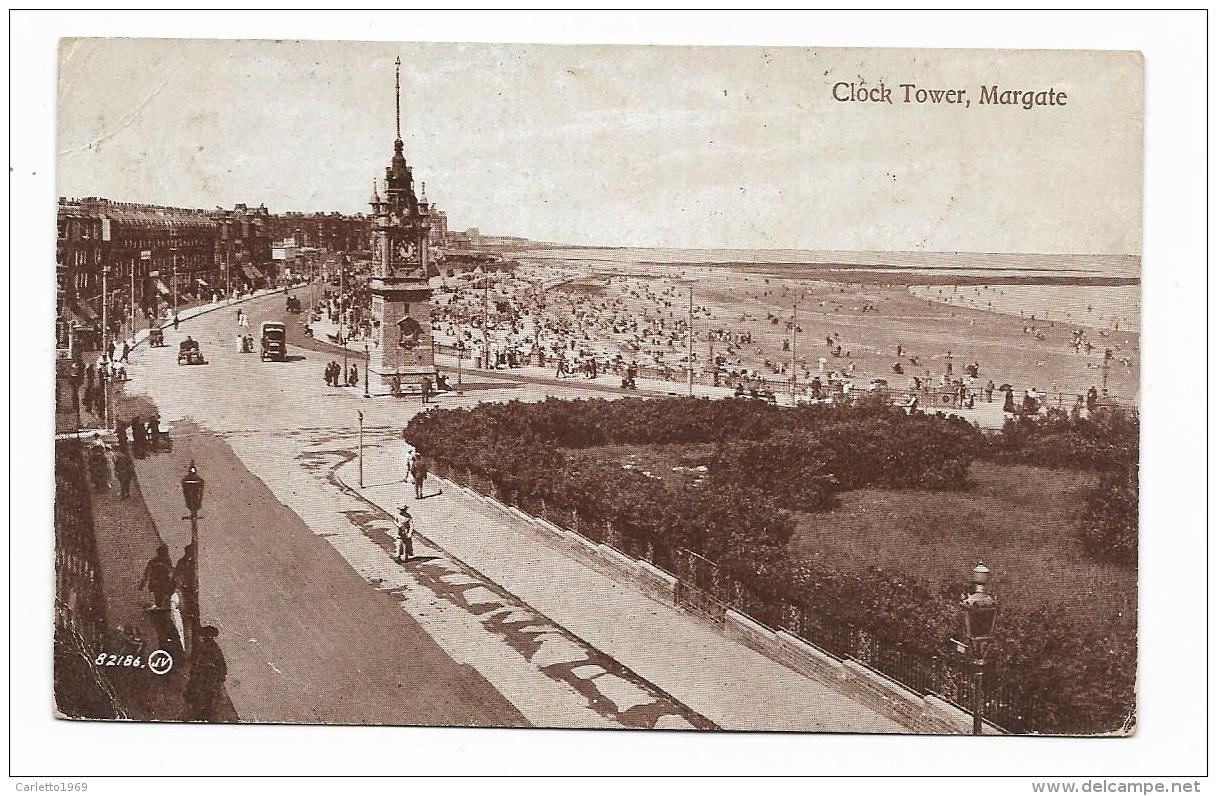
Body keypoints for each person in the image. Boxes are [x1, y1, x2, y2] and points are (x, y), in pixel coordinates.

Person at [184, 625, 227, 722]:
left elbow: (220, 662)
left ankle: (204, 714)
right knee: (203, 694)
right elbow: (196, 661)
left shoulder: (211, 647)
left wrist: (221, 675)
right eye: (206, 636)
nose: (208, 638)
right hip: (203, 674)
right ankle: (201, 714)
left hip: (208, 675)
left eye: (209, 636)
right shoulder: (206, 647)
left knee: (206, 694)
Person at [138, 544, 176, 611]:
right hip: (158, 582)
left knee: (162, 591)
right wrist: (142, 584)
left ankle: (162, 604)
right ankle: (160, 604)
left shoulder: (166, 561)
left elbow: (171, 572)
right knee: (159, 591)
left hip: (161, 582)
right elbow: (147, 573)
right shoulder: (155, 561)